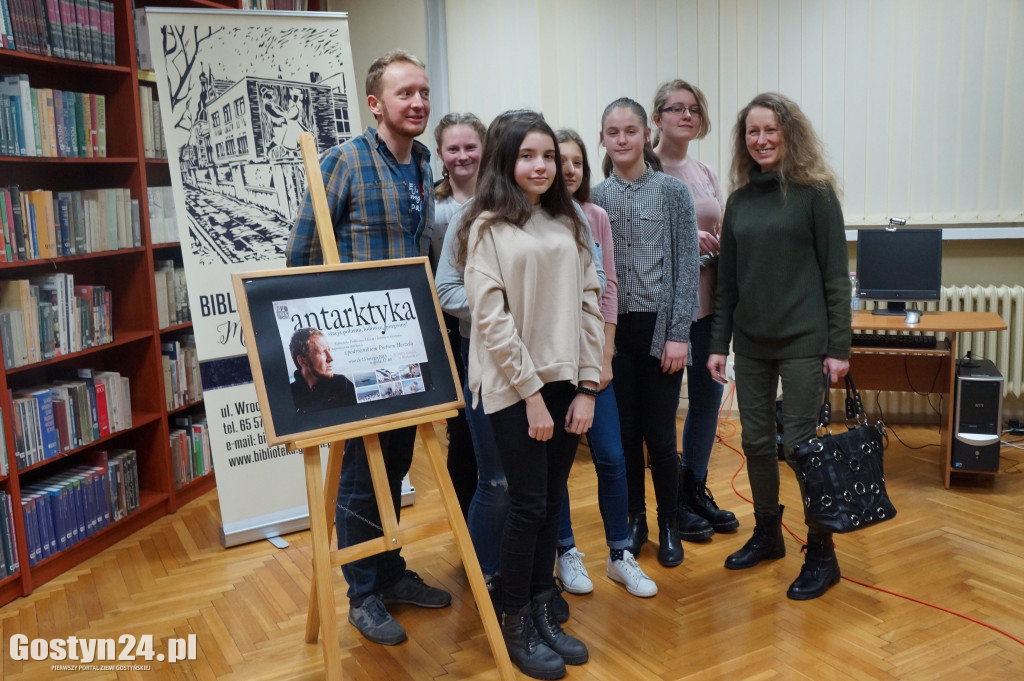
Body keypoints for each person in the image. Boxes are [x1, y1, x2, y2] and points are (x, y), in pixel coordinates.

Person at [285, 49, 451, 647]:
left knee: (397, 465)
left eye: (424, 92)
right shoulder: (345, 161)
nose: (418, 103)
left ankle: (390, 569)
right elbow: (301, 254)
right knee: (360, 470)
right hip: (355, 350)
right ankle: (363, 594)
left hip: (404, 347)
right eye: (405, 93)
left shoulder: (423, 165)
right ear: (376, 103)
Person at [437, 112, 605, 623]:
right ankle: (514, 619)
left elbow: (591, 304)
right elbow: (490, 320)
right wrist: (532, 396)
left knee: (552, 503)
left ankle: (539, 603)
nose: (541, 165)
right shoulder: (483, 225)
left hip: (566, 382)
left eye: (548, 156)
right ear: (505, 161)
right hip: (515, 389)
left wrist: (589, 387)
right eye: (527, 156)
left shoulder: (570, 219)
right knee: (525, 504)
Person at [707, 92, 851, 601]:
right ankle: (768, 533)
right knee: (755, 443)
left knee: (803, 449)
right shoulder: (740, 200)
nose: (761, 139)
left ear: (788, 134)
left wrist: (839, 346)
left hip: (804, 341)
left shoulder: (816, 194)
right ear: (744, 140)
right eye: (752, 132)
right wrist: (718, 343)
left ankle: (822, 551)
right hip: (751, 342)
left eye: (770, 130)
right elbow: (727, 283)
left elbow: (836, 276)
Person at [592, 98, 700, 568]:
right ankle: (636, 519)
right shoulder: (595, 199)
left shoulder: (671, 192)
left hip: (661, 329)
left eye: (630, 131)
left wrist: (679, 333)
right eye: (613, 132)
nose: (622, 140)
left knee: (659, 433)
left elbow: (686, 267)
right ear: (603, 138)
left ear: (644, 135)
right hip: (616, 333)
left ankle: (670, 522)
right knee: (627, 432)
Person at [552, 128, 657, 599]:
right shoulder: (532, 219)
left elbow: (609, 287)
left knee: (612, 458)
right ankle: (565, 551)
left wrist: (606, 353)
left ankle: (619, 555)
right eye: (560, 161)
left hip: (595, 363)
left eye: (576, 162)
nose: (568, 170)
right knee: (555, 467)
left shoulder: (596, 216)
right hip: (552, 366)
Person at [651, 80, 739, 541]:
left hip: (710, 305)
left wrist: (726, 241)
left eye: (693, 109)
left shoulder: (704, 171)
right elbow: (635, 245)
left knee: (706, 403)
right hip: (665, 310)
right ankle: (669, 503)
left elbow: (720, 225)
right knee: (665, 412)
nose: (686, 115)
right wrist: (686, 242)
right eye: (675, 108)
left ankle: (694, 491)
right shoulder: (644, 170)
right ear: (657, 118)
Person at [432, 112, 487, 519]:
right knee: (462, 432)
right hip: (448, 330)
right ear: (440, 153)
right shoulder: (432, 209)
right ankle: (467, 525)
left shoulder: (503, 197)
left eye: (471, 146)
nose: (463, 155)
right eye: (454, 148)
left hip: (494, 327)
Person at [288, 328, 356, 413]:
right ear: (302, 361)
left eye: (329, 350)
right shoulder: (289, 395)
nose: (330, 358)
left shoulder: (341, 384)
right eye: (322, 352)